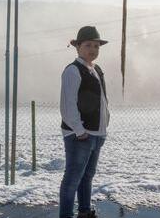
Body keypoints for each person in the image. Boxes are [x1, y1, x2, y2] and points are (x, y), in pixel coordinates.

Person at [59, 26, 110, 218]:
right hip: (80, 135)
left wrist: (103, 127)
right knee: (72, 179)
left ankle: (84, 212)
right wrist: (80, 131)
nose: (93, 49)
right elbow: (67, 106)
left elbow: (101, 100)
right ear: (78, 46)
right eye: (88, 45)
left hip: (96, 134)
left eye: (96, 46)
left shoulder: (96, 69)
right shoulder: (73, 70)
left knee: (86, 177)